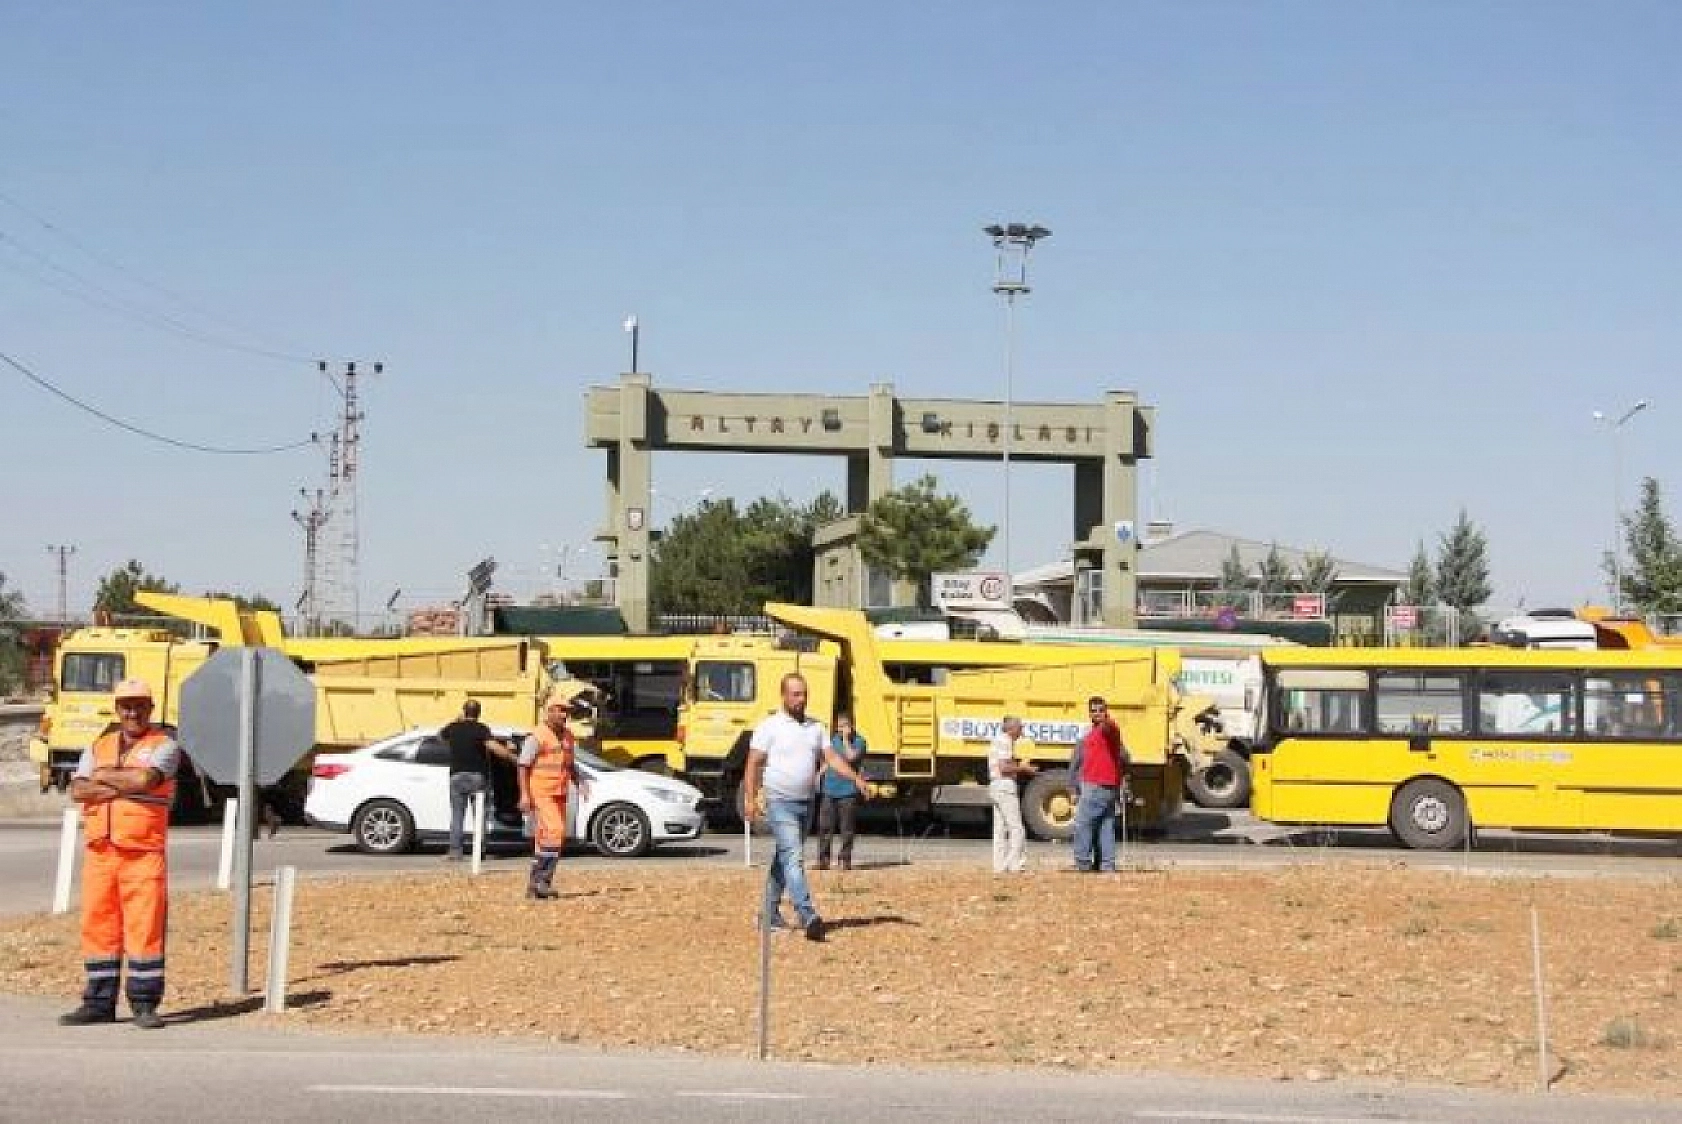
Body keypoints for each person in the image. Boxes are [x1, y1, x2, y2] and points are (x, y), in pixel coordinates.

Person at [60, 679, 179, 1029]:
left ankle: (144, 1004)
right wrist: (121, 779)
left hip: (143, 853)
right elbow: (77, 790)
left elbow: (145, 782)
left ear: (150, 708)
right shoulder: (99, 746)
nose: (133, 712)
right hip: (100, 852)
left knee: (145, 929)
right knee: (99, 927)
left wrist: (104, 781)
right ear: (117, 709)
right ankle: (98, 1002)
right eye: (126, 705)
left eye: (139, 705)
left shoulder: (166, 746)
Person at [742, 673, 867, 941]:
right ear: (784, 695)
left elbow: (832, 758)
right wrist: (749, 799)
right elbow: (752, 763)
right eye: (796, 694)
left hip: (806, 802)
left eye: (804, 694)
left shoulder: (816, 728)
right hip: (779, 802)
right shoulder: (770, 726)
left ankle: (769, 913)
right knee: (794, 857)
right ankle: (808, 915)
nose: (801, 699)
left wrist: (856, 778)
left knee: (784, 858)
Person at [517, 689, 590, 900]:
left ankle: (535, 885)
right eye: (560, 711)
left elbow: (569, 763)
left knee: (545, 839)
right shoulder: (537, 736)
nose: (564, 715)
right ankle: (543, 881)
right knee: (555, 831)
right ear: (549, 712)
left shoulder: (568, 736)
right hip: (541, 792)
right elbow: (523, 765)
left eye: (566, 711)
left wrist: (579, 781)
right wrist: (524, 795)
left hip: (560, 792)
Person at [441, 699, 515, 861]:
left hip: (456, 776)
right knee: (479, 816)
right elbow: (493, 747)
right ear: (479, 713)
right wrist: (511, 756)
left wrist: (456, 720)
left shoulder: (452, 728)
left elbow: (441, 735)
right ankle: (479, 851)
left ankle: (455, 852)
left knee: (457, 815)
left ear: (464, 711)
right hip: (477, 777)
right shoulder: (481, 729)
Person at [1068, 695, 1129, 873]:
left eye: (1101, 710)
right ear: (1088, 713)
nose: (1097, 714)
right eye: (1093, 711)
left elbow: (1112, 729)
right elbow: (1076, 761)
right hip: (1105, 785)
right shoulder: (1090, 733)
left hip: (1097, 784)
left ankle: (1083, 864)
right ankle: (1107, 865)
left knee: (1083, 824)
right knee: (1105, 826)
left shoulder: (1108, 729)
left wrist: (1106, 721)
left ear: (1106, 711)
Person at [814, 712, 868, 871]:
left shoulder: (860, 741)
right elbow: (829, 760)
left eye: (845, 725)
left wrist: (845, 739)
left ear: (852, 725)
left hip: (848, 790)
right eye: (840, 726)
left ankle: (845, 860)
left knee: (847, 828)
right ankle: (823, 859)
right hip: (829, 789)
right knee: (824, 826)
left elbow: (851, 757)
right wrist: (819, 774)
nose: (842, 729)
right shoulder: (832, 741)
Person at [987, 716, 1037, 874]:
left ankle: (999, 866)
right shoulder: (1005, 741)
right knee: (1016, 828)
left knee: (1000, 829)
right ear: (1011, 728)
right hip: (1004, 785)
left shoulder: (998, 740)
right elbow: (1004, 767)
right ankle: (1016, 865)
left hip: (996, 785)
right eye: (1020, 728)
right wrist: (1023, 768)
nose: (1021, 731)